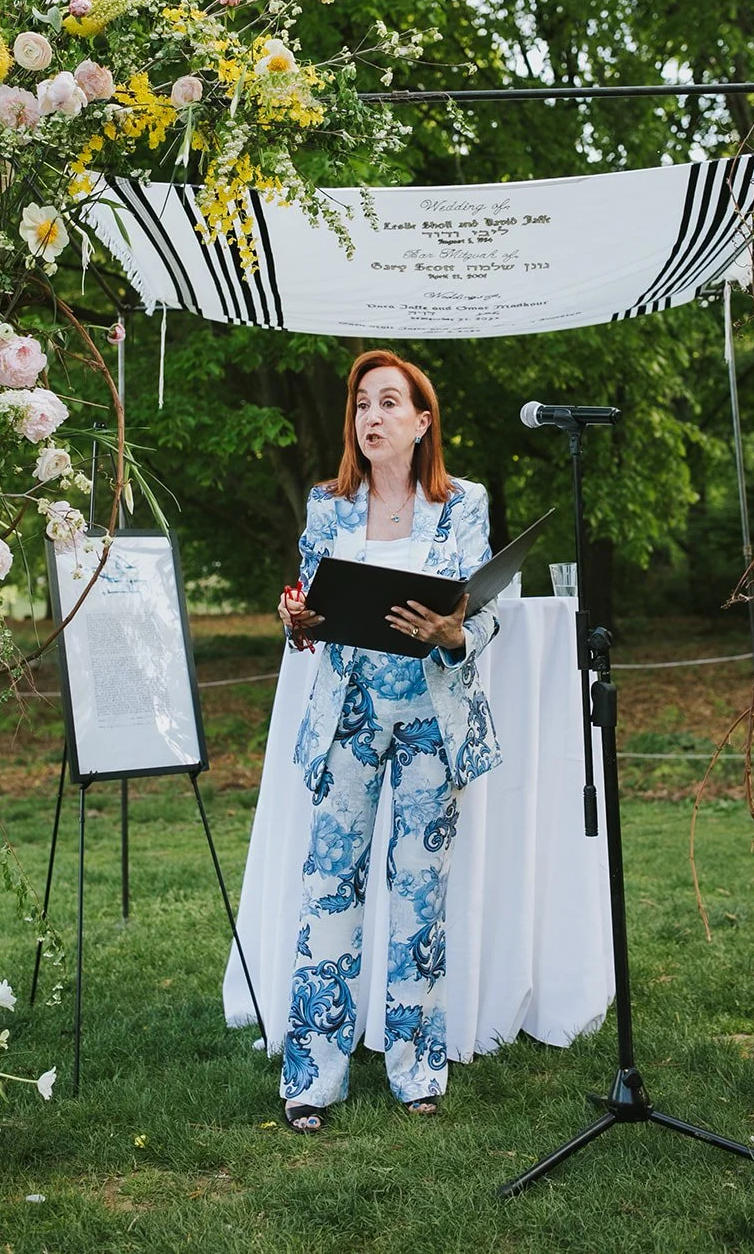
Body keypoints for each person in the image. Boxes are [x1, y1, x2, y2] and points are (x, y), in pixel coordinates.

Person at [275, 349, 501, 1133]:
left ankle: (415, 1071)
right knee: (328, 889)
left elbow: (489, 609)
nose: (371, 417)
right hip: (347, 720)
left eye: (388, 403)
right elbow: (304, 608)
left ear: (421, 419)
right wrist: (296, 622)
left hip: (431, 729)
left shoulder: (463, 503)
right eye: (361, 405)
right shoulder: (327, 504)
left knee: (418, 897)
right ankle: (312, 1077)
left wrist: (455, 630)